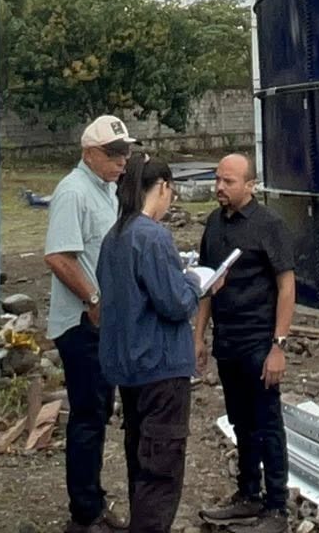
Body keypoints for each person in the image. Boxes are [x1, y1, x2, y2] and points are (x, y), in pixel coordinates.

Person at [96, 154, 220, 533]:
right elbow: (174, 303)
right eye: (172, 191)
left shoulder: (114, 237)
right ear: (163, 187)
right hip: (160, 367)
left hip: (129, 366)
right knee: (161, 470)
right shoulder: (152, 236)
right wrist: (195, 282)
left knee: (140, 458)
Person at [194, 154, 295, 533]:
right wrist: (199, 336)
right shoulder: (214, 223)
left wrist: (278, 345)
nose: (220, 187)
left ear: (250, 185)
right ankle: (248, 493)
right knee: (240, 421)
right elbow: (207, 284)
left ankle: (277, 507)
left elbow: (287, 286)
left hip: (259, 342)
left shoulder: (269, 225)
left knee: (268, 423)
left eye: (229, 181)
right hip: (228, 341)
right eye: (218, 179)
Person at [44, 115, 136, 533]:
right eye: (114, 153)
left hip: (102, 322)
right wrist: (93, 298)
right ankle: (84, 514)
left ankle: (93, 501)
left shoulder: (107, 190)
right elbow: (58, 256)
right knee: (87, 416)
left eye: (125, 152)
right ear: (89, 153)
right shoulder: (73, 192)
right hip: (82, 324)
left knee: (99, 413)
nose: (122, 160)